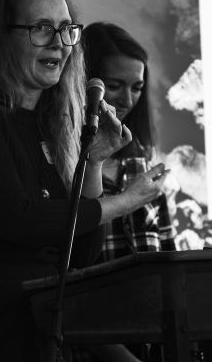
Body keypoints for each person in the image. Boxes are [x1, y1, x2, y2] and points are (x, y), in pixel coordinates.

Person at [0, 0, 168, 362]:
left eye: (66, 30)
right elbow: (16, 219)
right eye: (41, 29)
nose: (59, 44)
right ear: (2, 37)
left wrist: (93, 161)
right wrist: (124, 202)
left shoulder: (52, 124)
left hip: (36, 337)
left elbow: (80, 255)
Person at [76, 22, 177, 362]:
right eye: (116, 85)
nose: (127, 99)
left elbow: (170, 264)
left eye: (137, 88)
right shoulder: (64, 162)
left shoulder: (141, 164)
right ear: (86, 82)